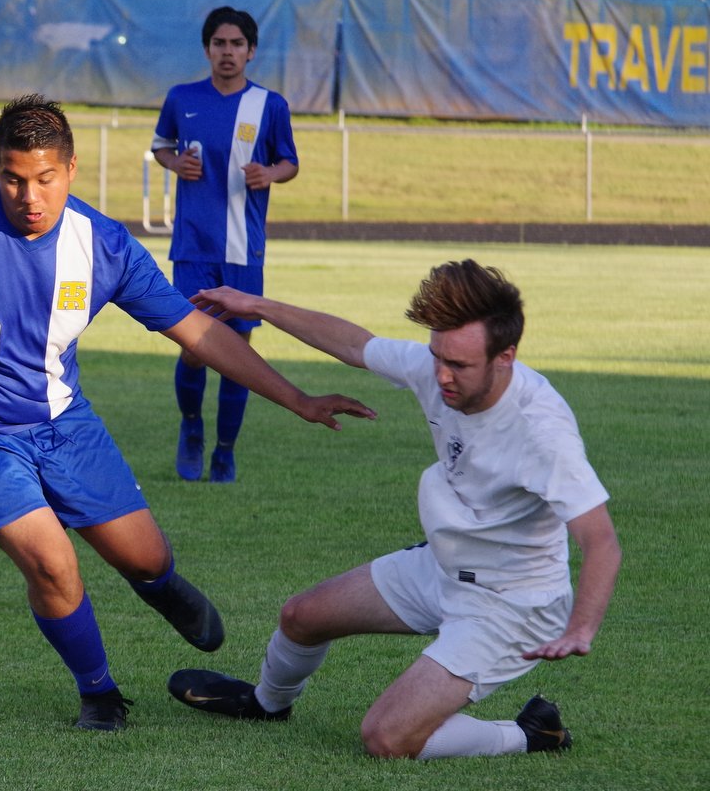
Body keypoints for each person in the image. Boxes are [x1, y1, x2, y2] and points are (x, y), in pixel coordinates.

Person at [0, 95, 375, 733]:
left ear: (72, 169)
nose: (29, 197)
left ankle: (159, 583)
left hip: (60, 419)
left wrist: (298, 399)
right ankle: (100, 692)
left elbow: (198, 332)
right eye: (12, 179)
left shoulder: (103, 245)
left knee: (145, 558)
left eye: (45, 178)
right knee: (51, 561)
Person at [169, 260, 621, 759]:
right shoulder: (438, 367)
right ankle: (267, 704)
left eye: (459, 365)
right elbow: (353, 345)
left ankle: (532, 733)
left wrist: (581, 628)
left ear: (505, 357)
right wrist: (257, 306)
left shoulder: (541, 432)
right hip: (445, 566)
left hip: (512, 604)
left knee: (386, 738)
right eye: (436, 357)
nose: (442, 376)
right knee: (302, 616)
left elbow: (600, 540)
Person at [151, 6, 300, 483]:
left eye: (237, 44)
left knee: (238, 354)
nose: (228, 52)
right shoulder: (182, 98)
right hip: (193, 245)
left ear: (251, 51)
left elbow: (290, 162)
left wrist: (269, 174)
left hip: (243, 249)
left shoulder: (270, 105)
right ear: (207, 49)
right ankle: (192, 428)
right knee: (194, 348)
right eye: (220, 43)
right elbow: (161, 145)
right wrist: (175, 164)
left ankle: (225, 451)